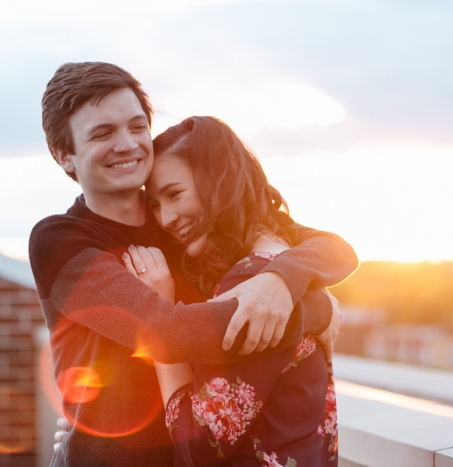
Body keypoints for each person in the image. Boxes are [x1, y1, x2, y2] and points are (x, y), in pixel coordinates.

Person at [30, 62, 357, 467]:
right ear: (65, 156)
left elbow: (334, 248)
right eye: (102, 133)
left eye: (136, 127)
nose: (128, 144)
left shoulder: (182, 223)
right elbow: (165, 332)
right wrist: (314, 310)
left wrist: (283, 276)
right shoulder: (61, 241)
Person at [123, 115, 339, 466]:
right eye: (156, 206)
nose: (166, 219)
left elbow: (199, 444)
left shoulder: (248, 284)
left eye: (175, 194)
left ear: (220, 179)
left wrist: (157, 315)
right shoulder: (279, 255)